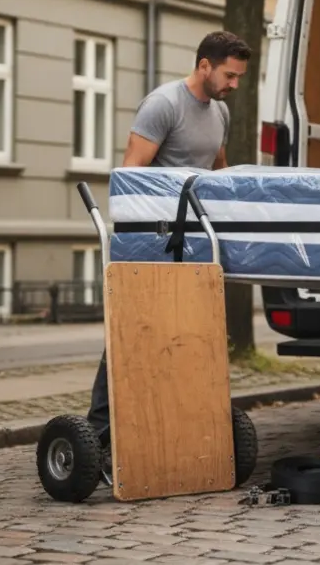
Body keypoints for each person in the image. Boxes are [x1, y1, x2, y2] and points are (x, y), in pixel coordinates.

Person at [86, 30, 252, 459]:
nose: (234, 85)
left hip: (193, 240)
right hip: (148, 239)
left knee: (188, 333)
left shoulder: (220, 112)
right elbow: (130, 175)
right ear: (204, 66)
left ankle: (173, 423)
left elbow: (217, 171)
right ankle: (99, 433)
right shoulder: (163, 105)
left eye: (237, 78)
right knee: (133, 330)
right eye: (230, 76)